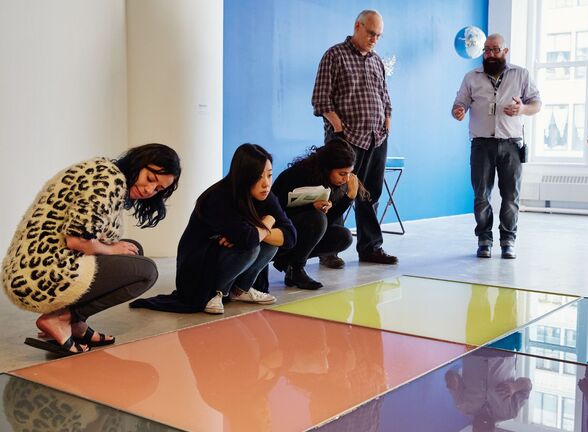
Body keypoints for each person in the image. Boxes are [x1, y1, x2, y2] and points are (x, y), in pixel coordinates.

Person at [2, 143, 181, 356]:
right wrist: (113, 250)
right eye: (150, 179)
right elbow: (77, 240)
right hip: (41, 273)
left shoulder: (107, 174)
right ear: (138, 163)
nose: (149, 190)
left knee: (134, 251)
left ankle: (75, 322)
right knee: (146, 272)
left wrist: (115, 248)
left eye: (159, 189)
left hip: (34, 266)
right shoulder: (107, 180)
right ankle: (60, 319)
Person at [130, 144, 296, 314]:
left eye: (269, 175)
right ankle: (214, 294)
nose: (266, 184)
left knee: (269, 245)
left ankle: (240, 290)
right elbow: (249, 240)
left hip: (229, 255)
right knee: (251, 248)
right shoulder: (218, 197)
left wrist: (256, 231)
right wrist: (267, 223)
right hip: (200, 264)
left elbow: (290, 237)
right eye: (258, 177)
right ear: (244, 176)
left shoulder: (266, 197)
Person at [311, 9, 398, 266]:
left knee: (370, 194)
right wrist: (339, 128)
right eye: (371, 33)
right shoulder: (334, 55)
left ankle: (370, 247)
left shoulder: (376, 61)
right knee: (337, 195)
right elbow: (320, 99)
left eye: (379, 36)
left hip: (376, 138)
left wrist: (387, 121)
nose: (374, 39)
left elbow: (385, 97)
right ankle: (329, 248)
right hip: (345, 141)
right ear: (357, 26)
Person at [452, 33, 541, 259]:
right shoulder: (471, 77)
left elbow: (536, 103)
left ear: (505, 51)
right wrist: (458, 111)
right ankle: (484, 239)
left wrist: (522, 110)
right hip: (481, 144)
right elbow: (458, 104)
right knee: (481, 195)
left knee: (511, 196)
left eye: (495, 49)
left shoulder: (521, 74)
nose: (490, 54)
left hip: (511, 144)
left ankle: (507, 240)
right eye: (487, 50)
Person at [271, 139, 364, 290]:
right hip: (278, 231)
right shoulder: (296, 175)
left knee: (343, 237)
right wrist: (310, 207)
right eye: (342, 174)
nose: (346, 179)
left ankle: (290, 266)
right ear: (328, 168)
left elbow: (327, 223)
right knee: (316, 218)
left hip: (303, 230)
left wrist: (349, 198)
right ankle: (296, 268)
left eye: (349, 173)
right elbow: (275, 212)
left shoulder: (333, 183)